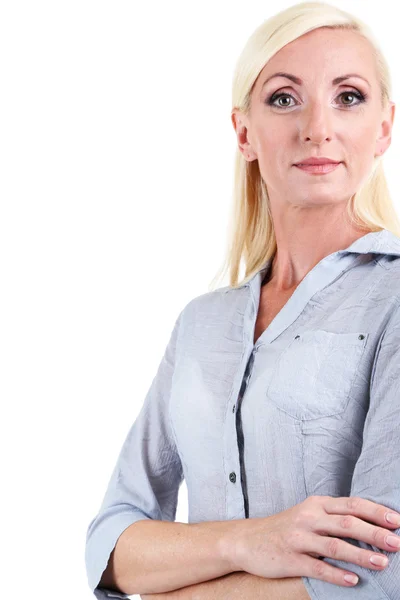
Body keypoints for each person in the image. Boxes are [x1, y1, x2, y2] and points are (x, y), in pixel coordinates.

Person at [85, 2, 400, 598]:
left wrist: (174, 585)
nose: (317, 128)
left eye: (349, 97)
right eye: (284, 98)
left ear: (384, 127)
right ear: (243, 132)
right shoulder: (201, 324)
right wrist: (251, 540)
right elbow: (111, 544)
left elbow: (383, 575)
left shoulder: (393, 299)